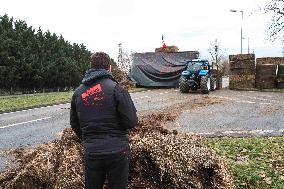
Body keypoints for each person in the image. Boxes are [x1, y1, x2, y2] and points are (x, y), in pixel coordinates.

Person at [70, 52, 138, 189]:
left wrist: (88, 138)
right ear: (109, 68)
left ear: (90, 67)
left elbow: (74, 123)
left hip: (92, 152)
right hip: (117, 151)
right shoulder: (117, 89)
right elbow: (131, 121)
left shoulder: (78, 93)